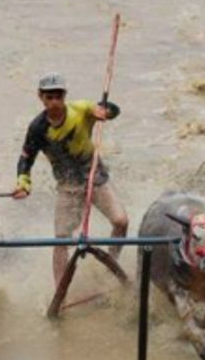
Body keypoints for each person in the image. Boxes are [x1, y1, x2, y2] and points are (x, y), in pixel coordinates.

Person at [12, 72, 129, 286]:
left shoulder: (81, 109)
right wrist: (23, 184)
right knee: (61, 240)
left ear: (65, 95)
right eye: (49, 97)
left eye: (58, 96)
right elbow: (26, 158)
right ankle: (61, 290)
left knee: (121, 221)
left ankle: (111, 265)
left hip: (95, 178)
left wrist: (106, 111)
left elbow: (113, 111)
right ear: (40, 97)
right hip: (68, 186)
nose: (54, 102)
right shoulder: (38, 128)